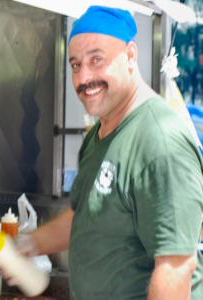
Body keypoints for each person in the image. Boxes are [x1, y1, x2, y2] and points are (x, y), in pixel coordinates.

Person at [13, 5, 203, 300]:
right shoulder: (99, 136)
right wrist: (30, 243)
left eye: (97, 60)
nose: (83, 77)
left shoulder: (160, 141)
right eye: (76, 65)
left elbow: (176, 268)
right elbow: (85, 217)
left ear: (130, 56)